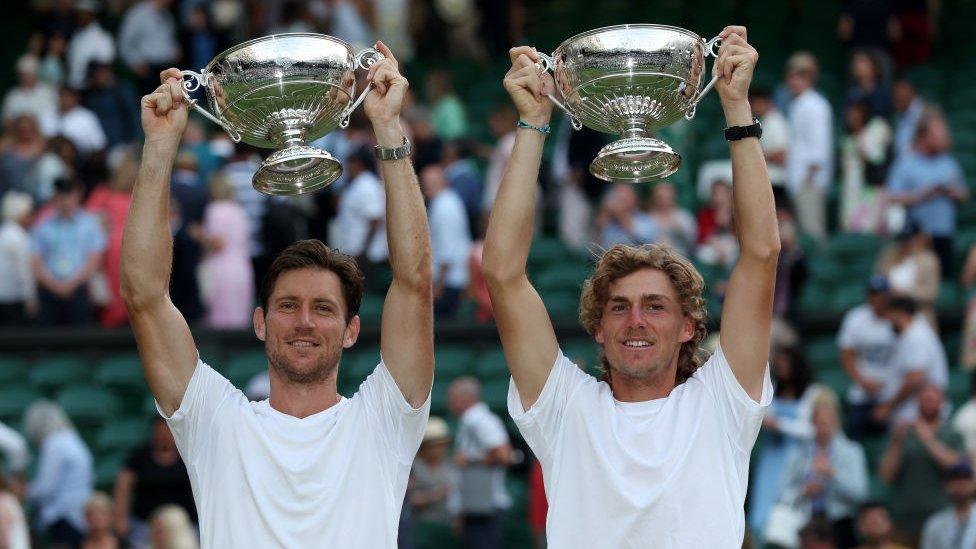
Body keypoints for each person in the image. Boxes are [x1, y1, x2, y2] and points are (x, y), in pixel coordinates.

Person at [121, 42, 434, 546]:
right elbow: (144, 295)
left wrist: (388, 129)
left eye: (324, 309)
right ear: (261, 322)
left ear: (352, 329)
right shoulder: (217, 423)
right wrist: (159, 146)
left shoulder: (384, 419)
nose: (305, 322)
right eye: (288, 306)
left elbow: (415, 282)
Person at [483, 27, 777, 546]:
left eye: (655, 307)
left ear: (689, 326)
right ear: (598, 327)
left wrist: (736, 107)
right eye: (619, 307)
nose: (635, 320)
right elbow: (503, 273)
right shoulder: (565, 410)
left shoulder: (721, 403)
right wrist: (532, 122)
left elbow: (761, 253)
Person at [885, 107, 969, 275]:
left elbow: (964, 194)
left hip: (944, 237)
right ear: (924, 136)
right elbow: (891, 196)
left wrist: (953, 193)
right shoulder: (907, 162)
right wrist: (921, 195)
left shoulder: (948, 163)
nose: (944, 138)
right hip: (917, 238)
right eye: (938, 134)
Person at [780, 392, 869, 548]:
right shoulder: (798, 454)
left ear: (837, 422)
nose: (823, 427)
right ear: (812, 423)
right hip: (807, 521)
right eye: (819, 422)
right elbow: (782, 493)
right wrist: (804, 491)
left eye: (828, 422)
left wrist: (832, 474)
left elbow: (860, 493)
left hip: (840, 523)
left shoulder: (852, 451)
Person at [750, 347, 823, 535]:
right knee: (762, 507)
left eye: (785, 364)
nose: (781, 368)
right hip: (770, 457)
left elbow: (812, 430)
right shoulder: (771, 387)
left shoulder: (813, 393)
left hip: (797, 459)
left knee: (787, 513)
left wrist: (779, 424)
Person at [879, 384, 964, 544]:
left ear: (942, 402)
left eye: (933, 399)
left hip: (942, 516)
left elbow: (956, 467)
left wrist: (927, 438)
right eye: (925, 399)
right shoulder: (901, 434)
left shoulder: (951, 433)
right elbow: (885, 476)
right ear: (917, 401)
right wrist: (896, 443)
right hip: (904, 518)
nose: (929, 403)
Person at [448, 377, 514, 549]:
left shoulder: (483, 421)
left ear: (465, 398)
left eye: (452, 397)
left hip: (486, 506)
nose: (449, 403)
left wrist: (469, 460)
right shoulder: (469, 421)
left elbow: (504, 455)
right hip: (472, 505)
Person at [31, 177, 106, 325]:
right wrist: (53, 284)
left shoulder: (89, 224)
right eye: (61, 196)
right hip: (49, 291)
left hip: (78, 289)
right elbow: (35, 259)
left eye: (69, 195)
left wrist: (71, 284)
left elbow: (95, 260)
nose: (65, 201)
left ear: (77, 196)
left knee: (78, 338)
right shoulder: (44, 224)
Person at [113, 419, 195, 547]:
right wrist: (120, 518)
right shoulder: (140, 457)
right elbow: (123, 486)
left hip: (183, 525)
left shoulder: (187, 455)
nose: (164, 436)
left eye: (168, 432)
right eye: (160, 432)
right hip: (145, 525)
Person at [24, 400, 94, 546]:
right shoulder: (72, 438)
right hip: (79, 513)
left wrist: (24, 492)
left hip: (64, 517)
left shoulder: (54, 444)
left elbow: (45, 488)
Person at [837, 276, 896, 440]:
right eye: (873, 294)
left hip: (891, 394)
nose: (877, 298)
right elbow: (846, 354)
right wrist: (862, 380)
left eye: (881, 294)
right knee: (853, 439)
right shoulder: (856, 318)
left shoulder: (897, 318)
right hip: (861, 392)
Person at [873, 297, 947, 426]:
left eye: (890, 314)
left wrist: (888, 406)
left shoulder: (917, 336)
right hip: (910, 413)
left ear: (899, 313)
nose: (888, 320)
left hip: (918, 414)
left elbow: (914, 378)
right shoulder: (909, 335)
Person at [784, 51, 834, 243]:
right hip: (798, 181)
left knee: (813, 235)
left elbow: (819, 151)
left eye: (797, 76)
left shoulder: (816, 105)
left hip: (809, 183)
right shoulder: (798, 104)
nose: (791, 81)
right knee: (802, 237)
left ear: (808, 77)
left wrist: (807, 182)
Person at [194, 172, 253, 328]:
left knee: (220, 319)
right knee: (238, 317)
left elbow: (218, 243)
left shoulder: (215, 210)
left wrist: (197, 233)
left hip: (221, 270)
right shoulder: (239, 210)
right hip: (242, 269)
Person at [421, 164, 472, 318]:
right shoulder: (449, 200)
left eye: (429, 182)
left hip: (448, 282)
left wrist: (438, 287)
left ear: (442, 181)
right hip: (453, 278)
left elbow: (447, 251)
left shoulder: (443, 206)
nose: (425, 186)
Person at [409, 416, 458, 525]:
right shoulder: (412, 467)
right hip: (418, 525)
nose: (440, 449)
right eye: (435, 445)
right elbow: (409, 501)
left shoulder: (450, 464)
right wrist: (436, 495)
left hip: (448, 525)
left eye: (443, 444)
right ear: (424, 446)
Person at [0, 192, 38, 325]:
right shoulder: (18, 237)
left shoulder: (4, 232)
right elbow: (24, 272)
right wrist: (31, 298)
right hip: (13, 298)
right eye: (28, 214)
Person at [919, 462, 976, 549]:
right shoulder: (935, 523)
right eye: (955, 481)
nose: (960, 486)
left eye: (965, 481)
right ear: (947, 485)